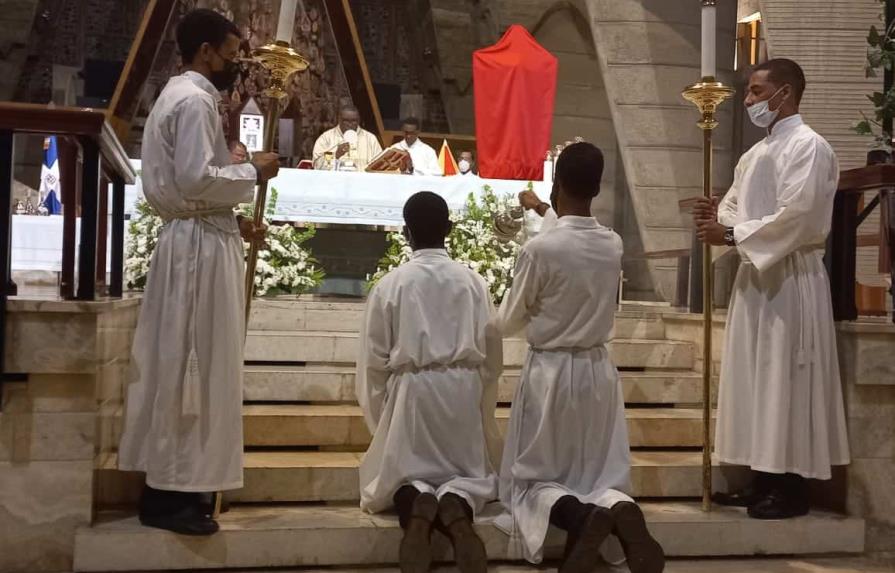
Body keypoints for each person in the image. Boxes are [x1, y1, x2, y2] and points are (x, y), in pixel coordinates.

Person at [118, 8, 279, 536]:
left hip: (200, 236)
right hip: (196, 252)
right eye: (231, 55)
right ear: (206, 51)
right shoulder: (192, 100)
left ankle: (181, 487)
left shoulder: (182, 95)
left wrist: (230, 216)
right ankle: (172, 492)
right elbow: (194, 176)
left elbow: (195, 186)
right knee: (194, 361)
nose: (235, 65)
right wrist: (251, 171)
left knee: (193, 362)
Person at [693, 58, 850, 519]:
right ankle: (761, 477)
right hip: (754, 276)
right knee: (754, 377)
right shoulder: (753, 155)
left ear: (786, 93)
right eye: (748, 93)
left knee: (786, 376)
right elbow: (735, 209)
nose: (748, 101)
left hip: (791, 277)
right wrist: (715, 219)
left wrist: (732, 234)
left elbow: (797, 216)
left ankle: (791, 487)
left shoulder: (810, 147)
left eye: (757, 92)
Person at [497, 143, 664, 573]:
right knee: (597, 474)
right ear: (597, 187)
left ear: (558, 184)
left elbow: (509, 319)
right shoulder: (612, 243)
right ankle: (618, 509)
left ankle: (582, 518)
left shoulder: (540, 251)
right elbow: (575, 236)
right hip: (597, 372)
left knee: (534, 477)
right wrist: (542, 210)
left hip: (550, 373)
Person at [357, 191, 503, 573]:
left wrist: (381, 422)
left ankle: (417, 503)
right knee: (467, 476)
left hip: (413, 393)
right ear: (450, 230)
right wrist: (482, 405)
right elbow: (493, 357)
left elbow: (373, 362)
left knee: (404, 476)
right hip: (462, 390)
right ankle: (456, 506)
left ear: (406, 233)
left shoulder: (392, 284)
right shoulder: (474, 283)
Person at [312, 104, 383, 171]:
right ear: (339, 120)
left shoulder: (370, 139)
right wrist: (336, 154)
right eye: (346, 121)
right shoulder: (326, 138)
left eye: (353, 121)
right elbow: (317, 165)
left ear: (358, 120)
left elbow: (379, 164)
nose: (350, 124)